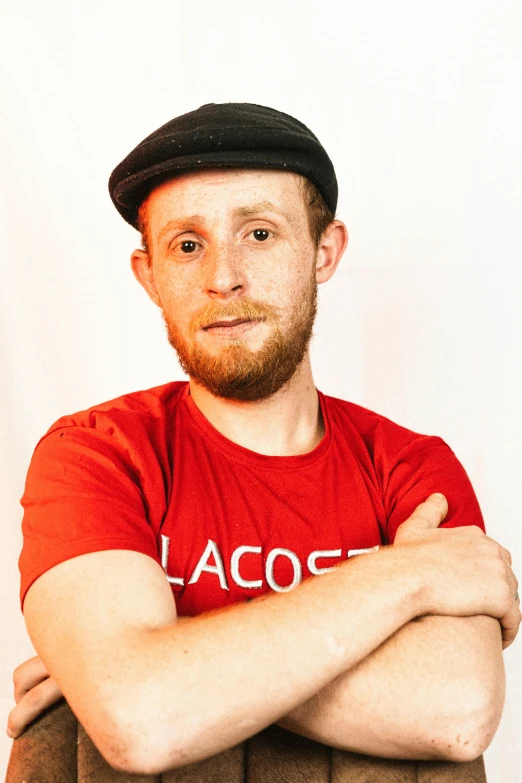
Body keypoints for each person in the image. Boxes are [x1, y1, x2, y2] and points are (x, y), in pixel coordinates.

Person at [7, 103, 521, 775]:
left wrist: (151, 661)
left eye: (259, 232)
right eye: (186, 244)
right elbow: (139, 719)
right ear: (149, 277)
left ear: (324, 251)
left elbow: (456, 712)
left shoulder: (409, 469)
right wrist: (409, 574)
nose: (223, 276)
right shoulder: (95, 453)